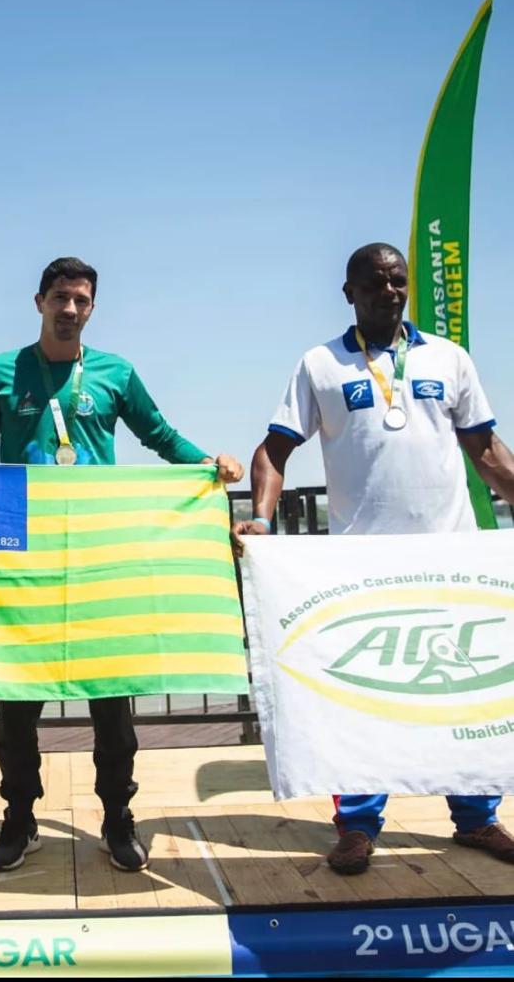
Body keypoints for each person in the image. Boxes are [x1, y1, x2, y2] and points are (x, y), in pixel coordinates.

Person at [0, 256, 243, 873]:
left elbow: (158, 436)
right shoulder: (2, 371)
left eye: (81, 299)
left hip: (99, 557)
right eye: (60, 297)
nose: (70, 309)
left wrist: (208, 465)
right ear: (39, 302)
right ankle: (20, 819)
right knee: (15, 704)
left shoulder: (116, 372)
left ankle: (117, 820)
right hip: (19, 559)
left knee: (114, 706)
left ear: (92, 307)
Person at [234, 242, 514, 875]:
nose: (390, 291)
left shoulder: (449, 358)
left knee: (457, 692)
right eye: (375, 282)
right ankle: (357, 827)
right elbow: (275, 451)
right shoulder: (320, 364)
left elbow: (487, 452)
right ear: (349, 292)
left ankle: (477, 819)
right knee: (363, 700)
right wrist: (261, 517)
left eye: (398, 281)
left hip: (452, 559)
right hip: (360, 570)